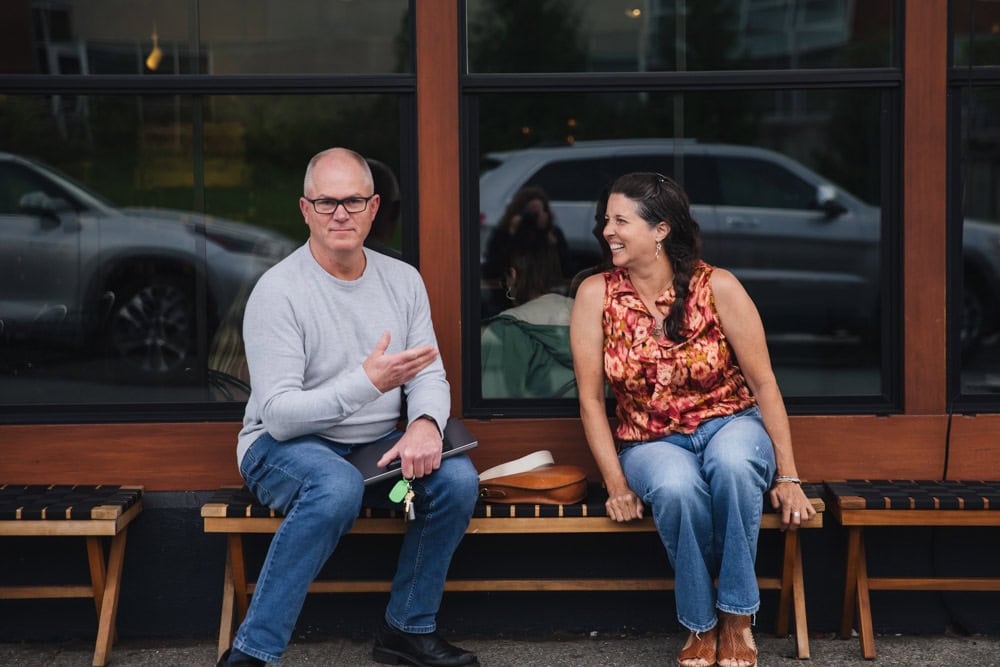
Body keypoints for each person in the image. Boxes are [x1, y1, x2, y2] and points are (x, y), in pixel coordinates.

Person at [219, 148, 480, 667]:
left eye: (354, 201)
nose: (340, 214)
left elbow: (428, 373)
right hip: (282, 448)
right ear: (305, 210)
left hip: (372, 449)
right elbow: (279, 415)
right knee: (335, 485)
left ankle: (406, 630)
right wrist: (367, 383)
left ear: (374, 207)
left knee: (457, 480)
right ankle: (253, 652)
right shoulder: (278, 291)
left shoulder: (402, 280)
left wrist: (425, 423)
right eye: (327, 202)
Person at [569, 172, 815, 667]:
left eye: (621, 221)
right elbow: (592, 400)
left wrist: (788, 476)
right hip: (649, 440)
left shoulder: (717, 286)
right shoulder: (596, 294)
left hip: (730, 423)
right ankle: (700, 623)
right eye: (606, 220)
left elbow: (764, 383)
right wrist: (616, 484)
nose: (607, 231)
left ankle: (737, 617)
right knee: (678, 488)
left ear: (660, 229)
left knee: (734, 467)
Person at [481, 224, 575, 398]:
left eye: (504, 280)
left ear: (513, 275)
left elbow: (493, 398)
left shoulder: (506, 329)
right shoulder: (589, 317)